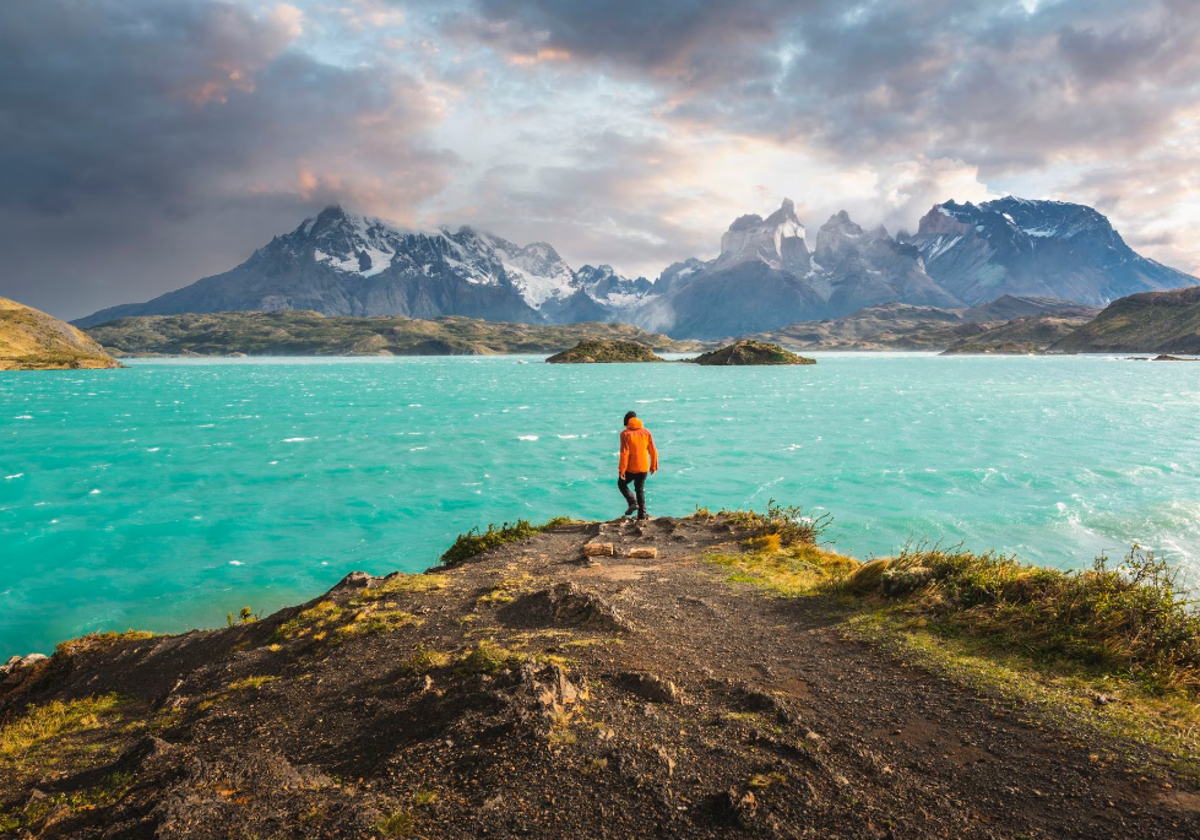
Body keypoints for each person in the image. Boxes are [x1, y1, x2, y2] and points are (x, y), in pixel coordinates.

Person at [618, 410, 658, 520]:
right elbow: (653, 450)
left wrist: (622, 470)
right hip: (644, 467)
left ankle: (632, 502)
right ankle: (642, 515)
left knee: (621, 484)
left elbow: (624, 453)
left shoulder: (625, 434)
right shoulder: (646, 432)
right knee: (639, 489)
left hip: (631, 468)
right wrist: (653, 465)